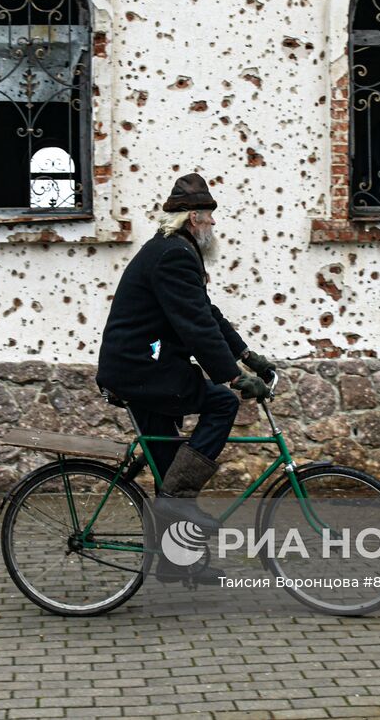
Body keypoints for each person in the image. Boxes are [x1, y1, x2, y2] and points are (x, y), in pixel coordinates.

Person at [96, 172, 276, 583]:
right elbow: (194, 325)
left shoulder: (173, 250)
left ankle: (177, 560)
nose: (214, 226)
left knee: (170, 468)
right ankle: (178, 507)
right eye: (210, 218)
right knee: (222, 403)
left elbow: (206, 313)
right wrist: (233, 379)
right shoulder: (174, 255)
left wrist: (248, 355)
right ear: (195, 219)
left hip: (143, 368)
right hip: (143, 370)